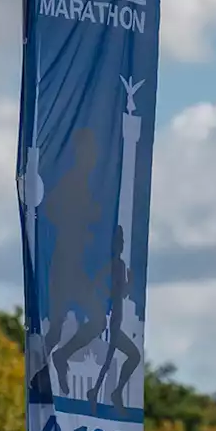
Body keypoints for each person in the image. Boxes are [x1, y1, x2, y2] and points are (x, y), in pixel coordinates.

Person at [40, 128, 103, 395]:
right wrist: (76, 223)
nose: (92, 157)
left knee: (97, 320)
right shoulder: (72, 181)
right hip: (64, 263)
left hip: (75, 266)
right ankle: (44, 370)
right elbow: (51, 210)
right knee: (54, 327)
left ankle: (60, 357)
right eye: (88, 152)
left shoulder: (86, 183)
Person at [86, 225, 140, 413]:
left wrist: (130, 283)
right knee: (109, 359)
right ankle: (97, 393)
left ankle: (109, 392)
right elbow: (99, 289)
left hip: (117, 319)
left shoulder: (121, 265)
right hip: (108, 320)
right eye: (119, 241)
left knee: (131, 356)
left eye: (123, 242)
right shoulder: (107, 266)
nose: (122, 245)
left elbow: (122, 293)